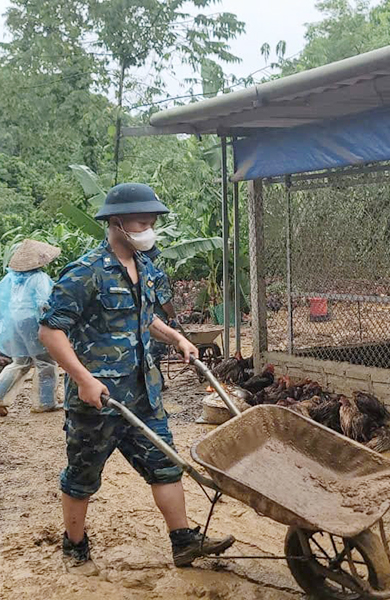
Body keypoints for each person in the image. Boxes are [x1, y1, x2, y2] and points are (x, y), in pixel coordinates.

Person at [38, 183, 234, 572]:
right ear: (116, 222)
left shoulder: (146, 267)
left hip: (145, 392)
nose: (150, 228)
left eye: (152, 222)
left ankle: (184, 542)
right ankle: (74, 547)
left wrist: (177, 338)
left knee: (165, 464)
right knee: (82, 476)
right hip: (99, 399)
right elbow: (50, 330)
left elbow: (146, 317)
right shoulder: (86, 273)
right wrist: (83, 378)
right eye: (142, 221)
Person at [0, 239, 62, 416]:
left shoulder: (11, 277)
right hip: (31, 321)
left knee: (20, 361)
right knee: (46, 361)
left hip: (14, 322)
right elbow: (44, 304)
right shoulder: (39, 278)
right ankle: (45, 402)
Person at [144, 245, 180, 389]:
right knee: (154, 355)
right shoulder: (158, 276)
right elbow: (164, 301)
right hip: (156, 322)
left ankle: (156, 382)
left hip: (139, 321)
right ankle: (156, 384)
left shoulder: (134, 274)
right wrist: (173, 317)